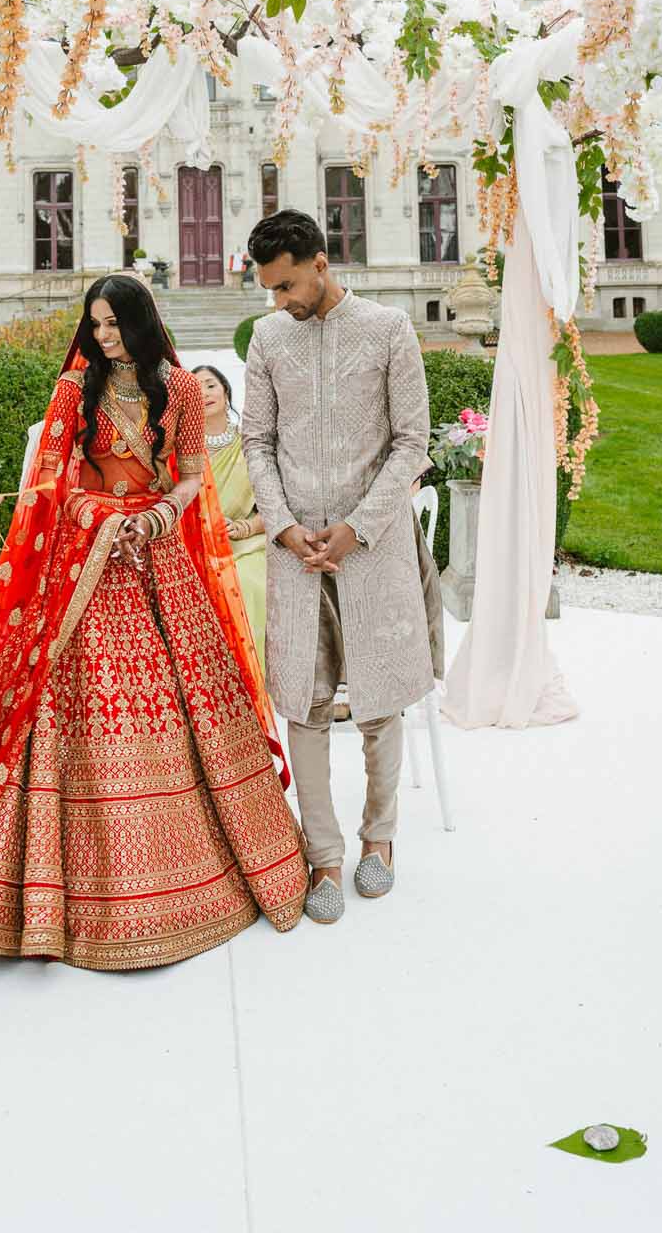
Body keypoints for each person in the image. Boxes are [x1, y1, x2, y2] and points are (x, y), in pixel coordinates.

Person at [0, 274, 307, 970]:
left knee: (183, 698)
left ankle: (193, 877)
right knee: (68, 704)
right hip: (88, 563)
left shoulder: (183, 391)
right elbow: (54, 479)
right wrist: (94, 516)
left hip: (160, 558)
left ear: (138, 323)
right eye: (95, 325)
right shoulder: (74, 391)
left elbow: (192, 474)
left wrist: (164, 513)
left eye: (113, 325)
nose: (103, 338)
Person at [242, 210, 433, 925]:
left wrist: (359, 526)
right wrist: (285, 526)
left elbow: (412, 442)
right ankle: (321, 852)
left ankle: (378, 840)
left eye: (287, 283)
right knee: (304, 699)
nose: (279, 300)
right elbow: (255, 440)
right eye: (269, 288)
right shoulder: (267, 338)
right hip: (295, 550)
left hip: (371, 544)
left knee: (380, 701)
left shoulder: (387, 329)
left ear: (320, 263)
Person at [194, 364, 268, 668]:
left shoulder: (251, 446)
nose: (205, 393)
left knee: (249, 583)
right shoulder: (182, 450)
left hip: (246, 541)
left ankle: (255, 676)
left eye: (210, 385)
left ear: (225, 390)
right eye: (196, 389)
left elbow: (275, 506)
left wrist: (241, 528)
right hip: (195, 543)